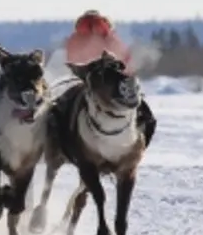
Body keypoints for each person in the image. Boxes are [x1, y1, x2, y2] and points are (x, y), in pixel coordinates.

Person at [63, 9, 157, 148]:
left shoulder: (74, 38)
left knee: (61, 116)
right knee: (148, 119)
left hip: (83, 83)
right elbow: (126, 61)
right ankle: (138, 149)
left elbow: (71, 60)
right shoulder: (111, 38)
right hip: (115, 85)